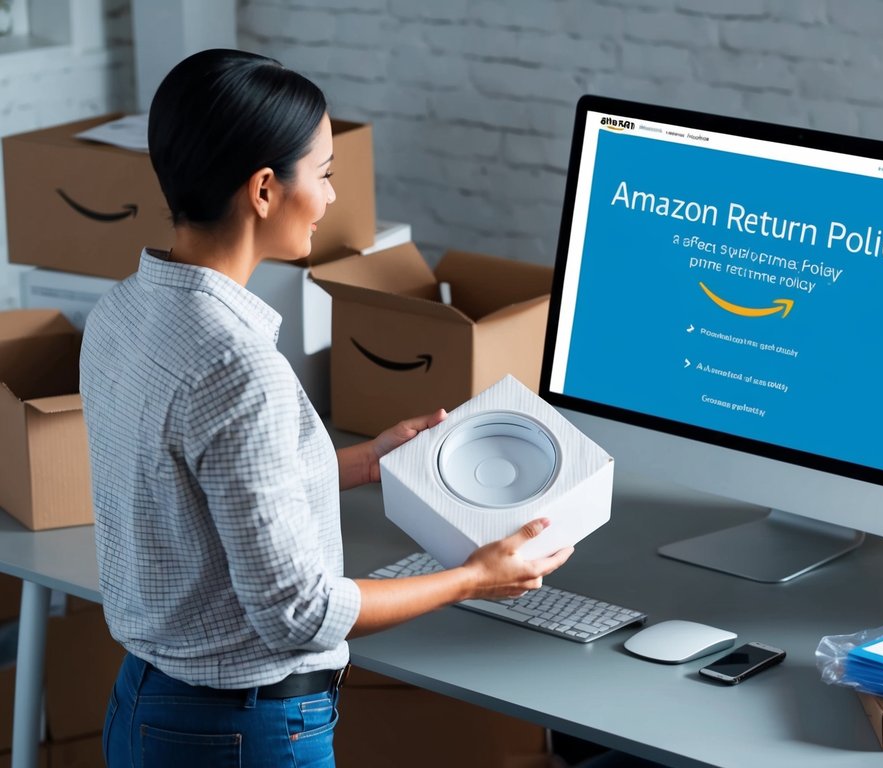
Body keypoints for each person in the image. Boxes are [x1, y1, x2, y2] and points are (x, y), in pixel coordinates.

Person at [79, 48, 573, 768]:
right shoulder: (239, 365)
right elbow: (299, 615)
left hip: (144, 707)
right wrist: (475, 577)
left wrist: (361, 461)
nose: (334, 197)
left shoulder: (122, 311)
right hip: (239, 735)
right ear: (264, 190)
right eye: (326, 173)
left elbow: (189, 484)